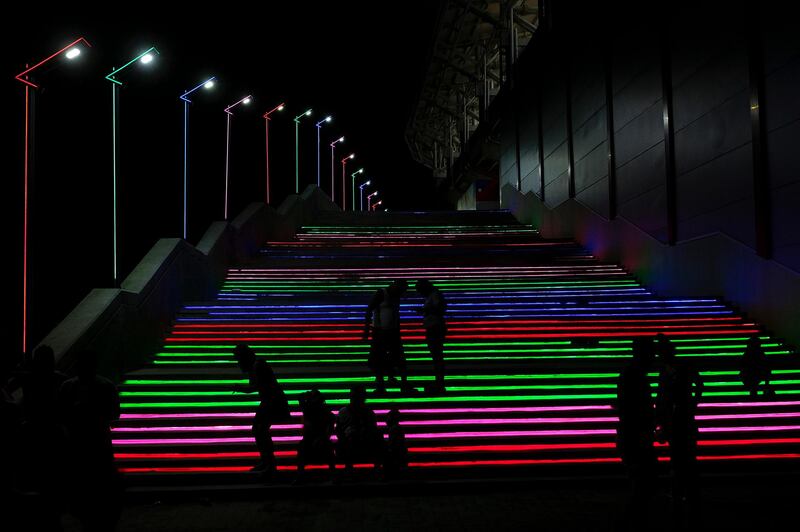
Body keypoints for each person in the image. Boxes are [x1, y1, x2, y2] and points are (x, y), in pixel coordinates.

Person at [58, 350, 122, 531]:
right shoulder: (106, 386)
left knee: (82, 483)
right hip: (98, 442)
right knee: (100, 482)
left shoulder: (67, 387)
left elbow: (60, 414)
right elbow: (115, 415)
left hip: (78, 443)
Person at [654, 334, 703, 524]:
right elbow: (698, 384)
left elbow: (698, 384)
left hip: (678, 419)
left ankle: (681, 494)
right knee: (683, 457)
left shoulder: (674, 369)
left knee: (682, 458)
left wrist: (693, 403)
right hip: (676, 419)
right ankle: (683, 494)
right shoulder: (671, 369)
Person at [616, 336, 658, 529]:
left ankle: (633, 521)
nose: (654, 356)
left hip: (632, 433)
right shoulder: (634, 375)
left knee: (640, 482)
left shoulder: (631, 373)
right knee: (642, 482)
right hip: (635, 434)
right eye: (651, 352)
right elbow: (635, 406)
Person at [233, 343, 291, 477]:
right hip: (270, 400)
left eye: (238, 358)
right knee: (259, 430)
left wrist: (240, 388)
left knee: (260, 430)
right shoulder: (256, 365)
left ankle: (270, 464)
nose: (237, 362)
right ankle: (267, 462)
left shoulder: (258, 365)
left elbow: (255, 386)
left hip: (273, 401)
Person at [364, 280, 411, 394]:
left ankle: (402, 384)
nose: (401, 293)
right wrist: (367, 329)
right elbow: (369, 310)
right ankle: (381, 386)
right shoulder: (381, 293)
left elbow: (396, 313)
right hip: (380, 332)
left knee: (399, 359)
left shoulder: (396, 296)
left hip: (393, 331)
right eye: (401, 290)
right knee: (379, 359)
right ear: (395, 285)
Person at [335, 385, 382, 475]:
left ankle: (349, 470)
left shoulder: (344, 411)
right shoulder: (368, 412)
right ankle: (377, 470)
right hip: (354, 441)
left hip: (359, 441)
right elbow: (338, 430)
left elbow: (338, 430)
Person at [295, 389, 335, 481]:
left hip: (321, 439)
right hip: (311, 439)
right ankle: (300, 475)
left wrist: (323, 438)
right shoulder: (309, 409)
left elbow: (331, 425)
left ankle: (333, 475)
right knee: (302, 447)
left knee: (327, 447)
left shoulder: (323, 411)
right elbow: (299, 398)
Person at [415, 279, 447, 394]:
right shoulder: (433, 295)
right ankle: (439, 382)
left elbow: (440, 308)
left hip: (435, 328)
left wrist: (424, 309)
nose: (420, 293)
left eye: (420, 290)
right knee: (436, 356)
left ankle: (439, 383)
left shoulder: (435, 295)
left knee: (437, 355)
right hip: (433, 327)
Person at [383, 408, 408, 480]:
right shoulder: (397, 428)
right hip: (400, 454)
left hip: (397, 454)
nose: (385, 421)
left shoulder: (394, 429)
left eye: (387, 418)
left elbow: (393, 444)